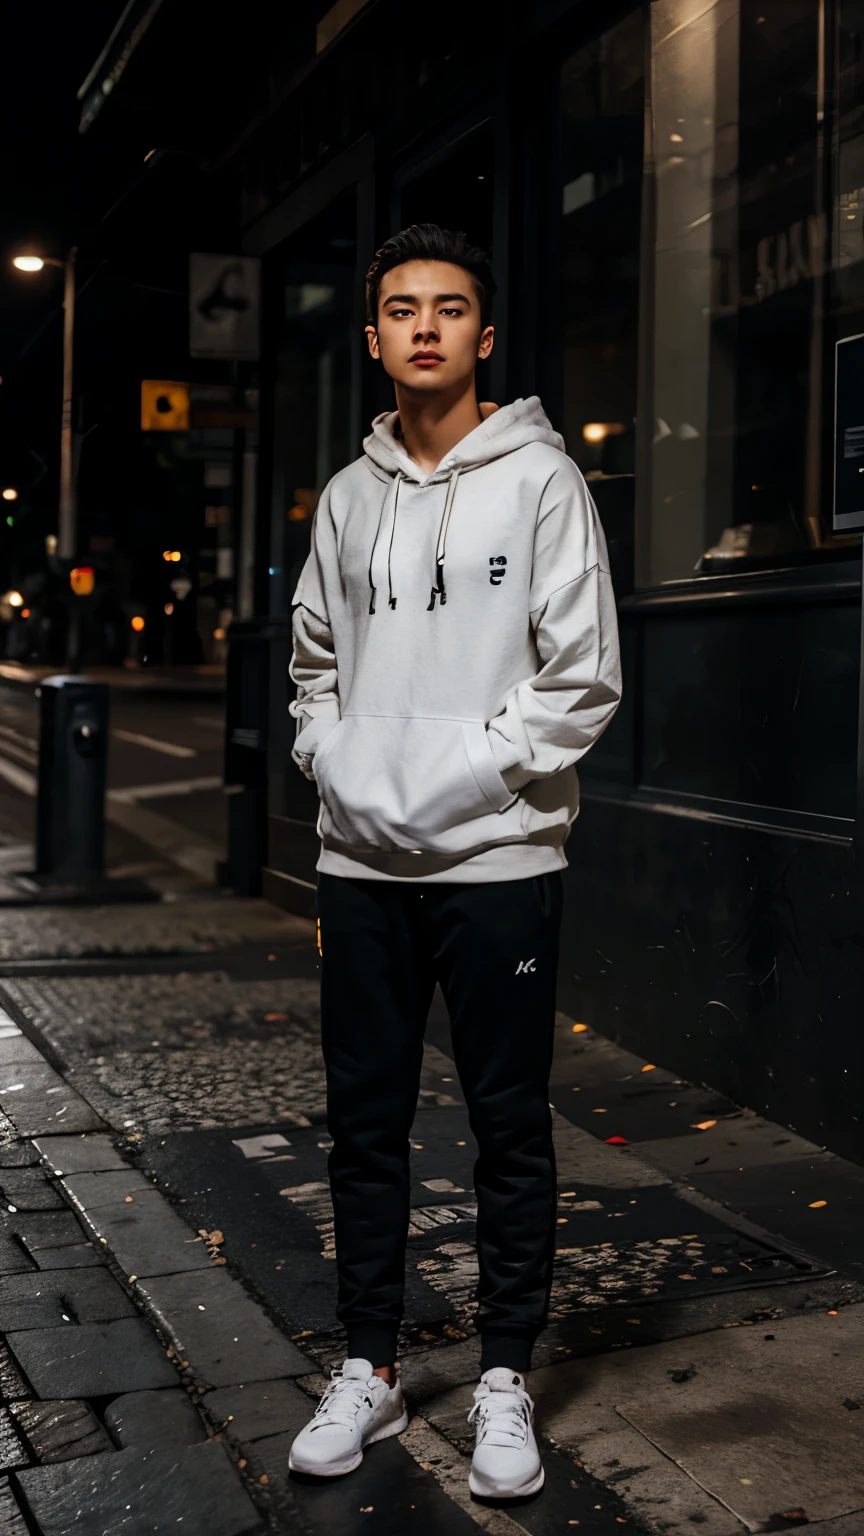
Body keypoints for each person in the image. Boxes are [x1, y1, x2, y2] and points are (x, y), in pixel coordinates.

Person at [287, 223, 621, 1498]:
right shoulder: (347, 495)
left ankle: (502, 1381)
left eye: (451, 307)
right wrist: (338, 763)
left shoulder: (541, 483)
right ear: (373, 337)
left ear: (484, 335)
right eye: (402, 308)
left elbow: (582, 677)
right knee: (365, 1127)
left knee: (507, 1129)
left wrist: (469, 776)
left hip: (500, 863)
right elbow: (315, 663)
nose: (426, 325)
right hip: (361, 866)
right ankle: (367, 1368)